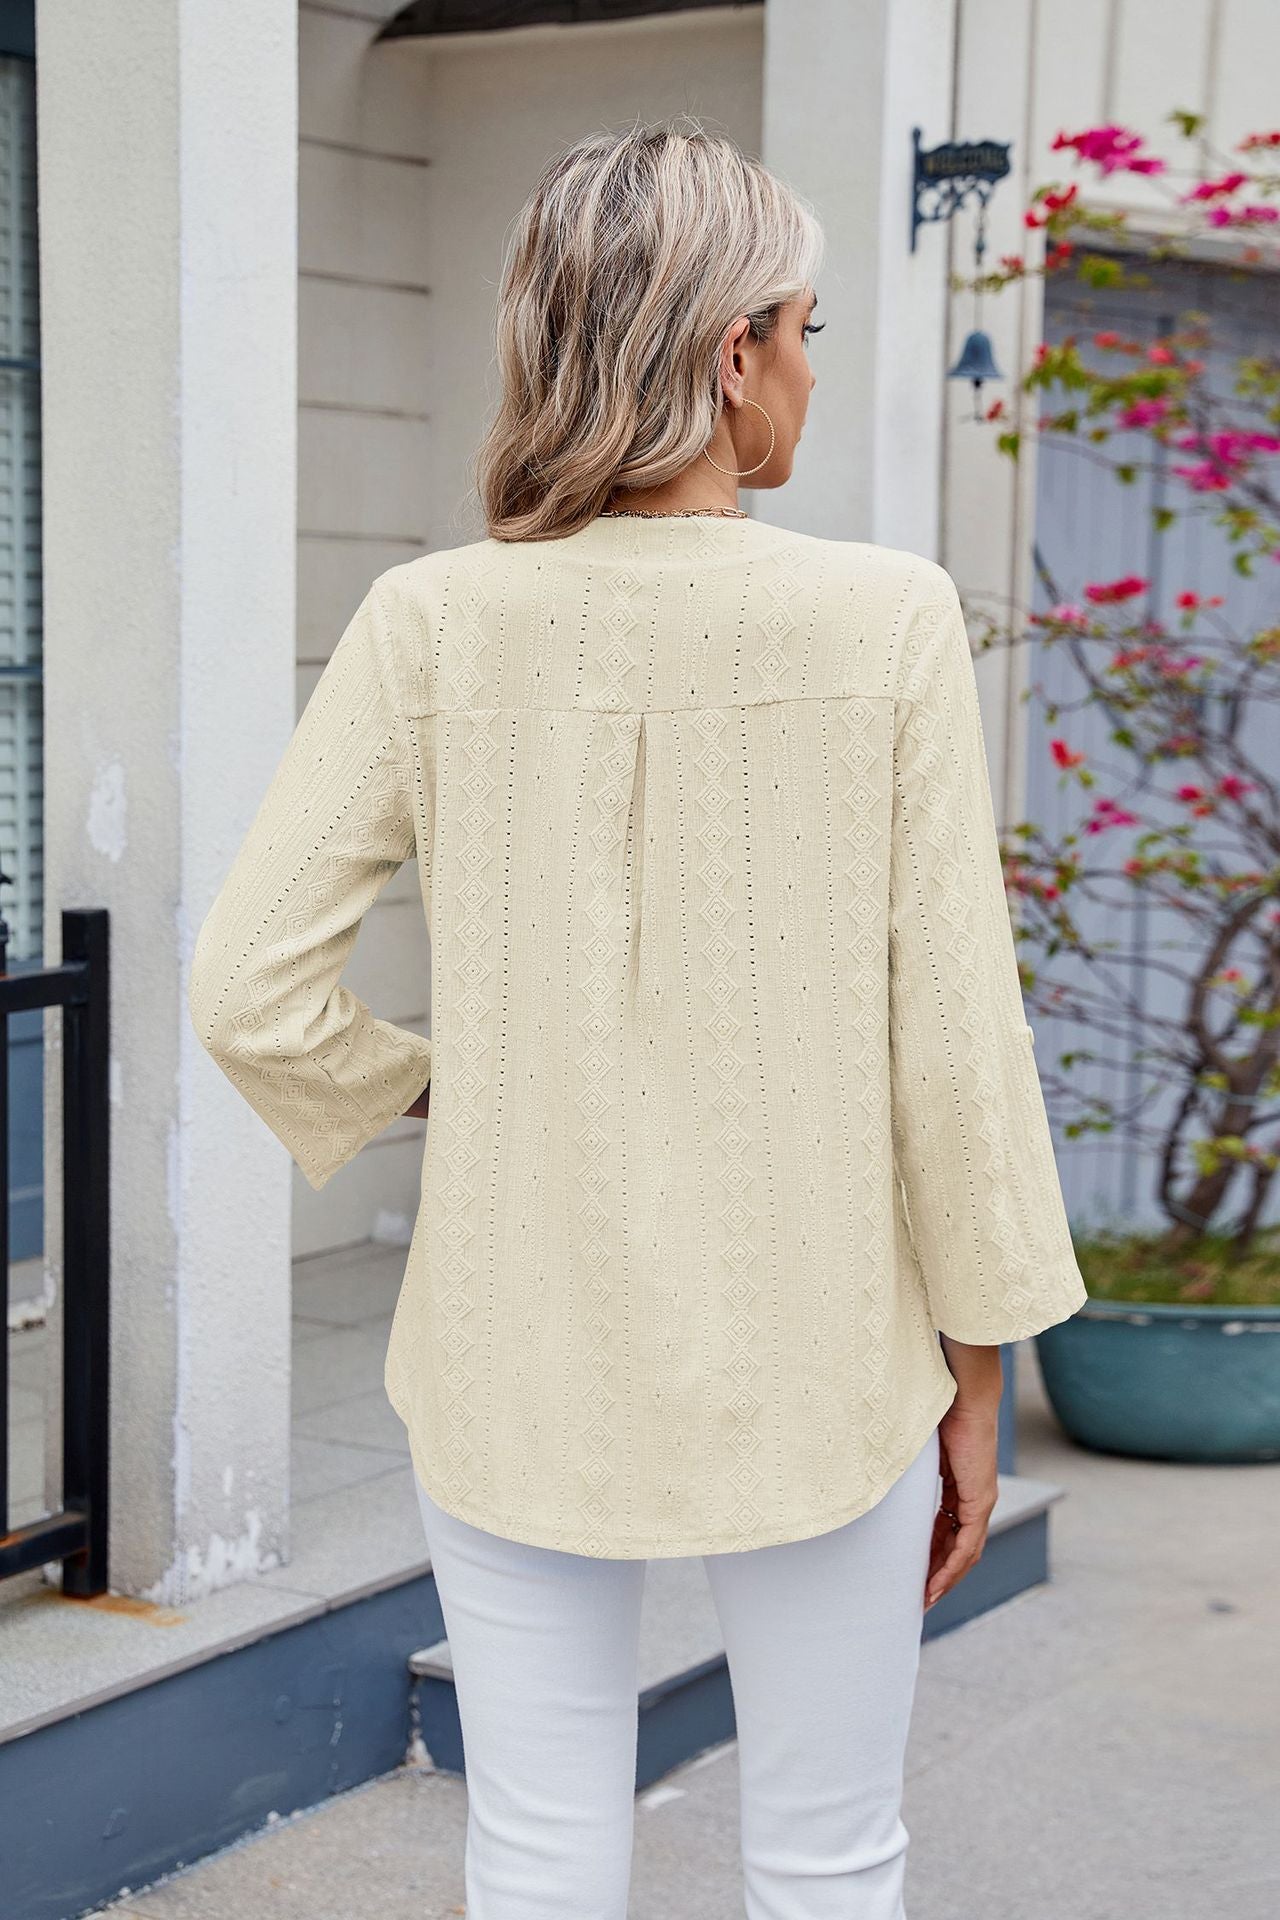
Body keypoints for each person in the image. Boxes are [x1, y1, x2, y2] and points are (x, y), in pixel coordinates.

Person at [188, 119, 1087, 1920]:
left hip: (511, 1347)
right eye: (807, 331)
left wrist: (435, 1088)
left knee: (536, 1851)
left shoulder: (429, 622)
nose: (813, 369)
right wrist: (980, 1368)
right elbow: (955, 1046)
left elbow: (247, 987)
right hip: (827, 1357)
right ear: (733, 351)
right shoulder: (887, 619)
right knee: (830, 1858)